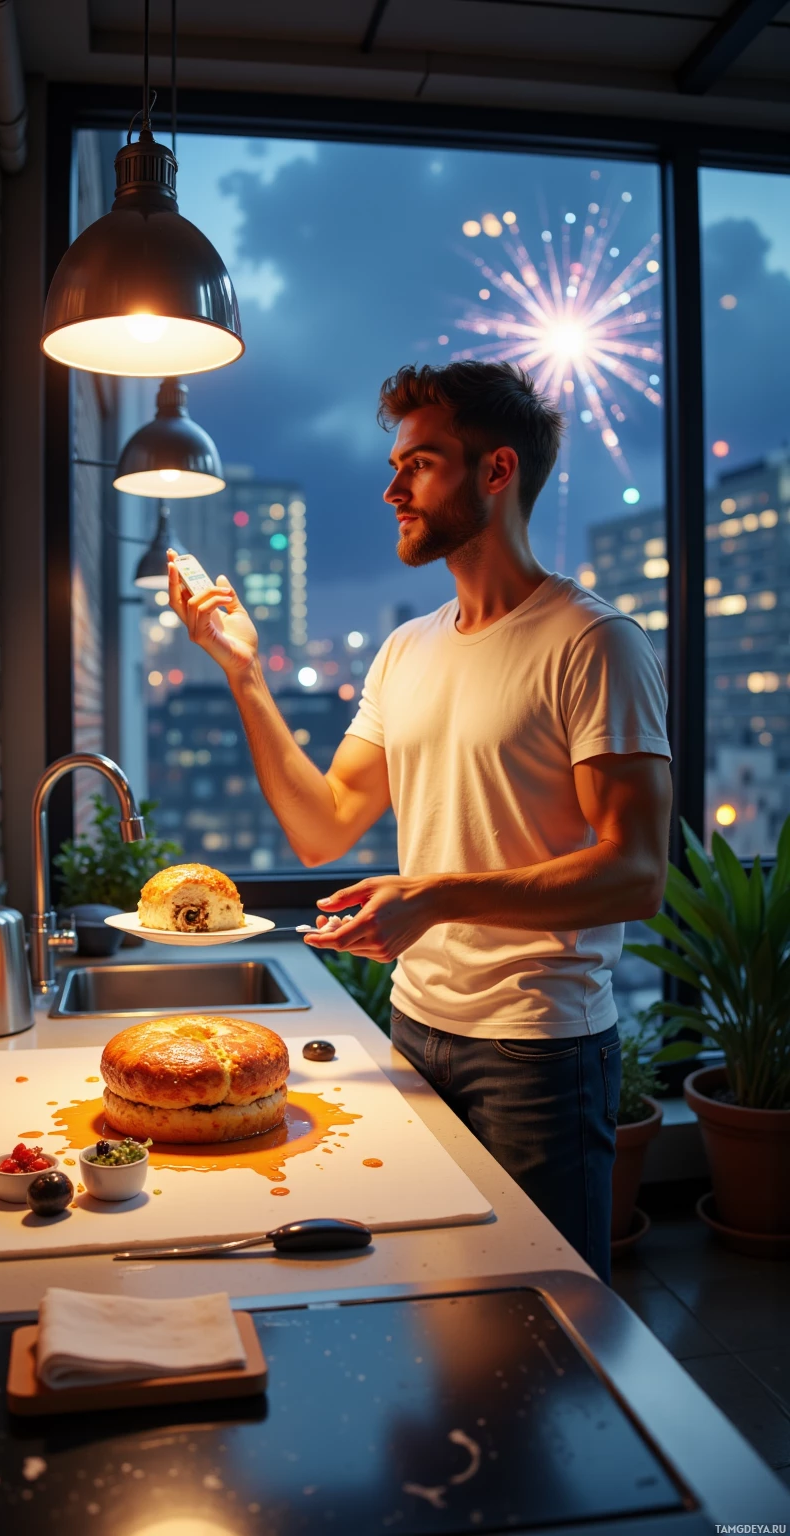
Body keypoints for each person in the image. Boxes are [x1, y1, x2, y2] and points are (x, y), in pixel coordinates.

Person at [167, 360, 672, 1282]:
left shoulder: (595, 642)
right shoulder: (406, 650)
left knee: (540, 1312)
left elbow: (636, 873)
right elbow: (323, 827)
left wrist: (434, 897)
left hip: (538, 1049)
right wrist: (242, 671)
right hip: (416, 1023)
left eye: (421, 464)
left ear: (497, 470)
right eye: (396, 465)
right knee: (433, 1289)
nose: (392, 489)